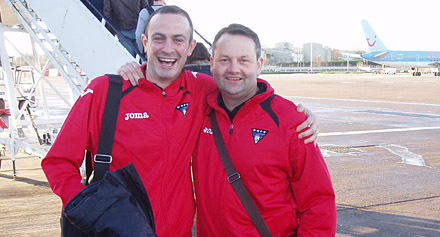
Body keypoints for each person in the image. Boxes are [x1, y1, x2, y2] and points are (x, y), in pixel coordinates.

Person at [42, 6, 317, 236]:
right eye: (159, 38)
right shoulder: (106, 91)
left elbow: (242, 84)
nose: (168, 49)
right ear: (145, 42)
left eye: (178, 40)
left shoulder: (200, 89)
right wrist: (92, 208)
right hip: (116, 231)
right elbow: (58, 162)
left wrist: (295, 114)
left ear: (190, 46)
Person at [192, 24, 336, 236]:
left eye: (244, 60)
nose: (234, 68)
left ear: (259, 65)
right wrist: (129, 73)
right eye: (225, 60)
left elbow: (318, 200)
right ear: (212, 64)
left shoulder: (290, 120)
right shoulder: (197, 111)